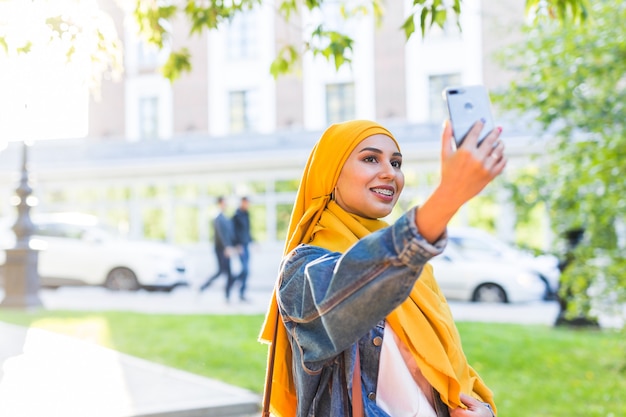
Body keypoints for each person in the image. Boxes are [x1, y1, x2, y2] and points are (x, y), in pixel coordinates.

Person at [259, 119, 506, 416]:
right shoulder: (302, 271)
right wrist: (448, 196)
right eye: (370, 159)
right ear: (331, 174)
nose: (390, 173)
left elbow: (447, 369)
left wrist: (484, 411)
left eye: (397, 162)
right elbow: (357, 285)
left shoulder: (416, 269)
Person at [199, 196, 237, 301]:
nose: (226, 205)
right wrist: (226, 247)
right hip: (221, 250)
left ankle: (225, 295)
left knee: (226, 272)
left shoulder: (225, 217)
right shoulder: (217, 218)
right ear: (220, 203)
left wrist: (233, 246)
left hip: (226, 249)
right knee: (223, 272)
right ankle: (204, 287)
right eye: (224, 203)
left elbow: (229, 234)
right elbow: (221, 235)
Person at [232, 196, 253, 302]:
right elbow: (234, 232)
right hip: (240, 246)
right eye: (246, 202)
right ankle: (232, 281)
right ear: (242, 203)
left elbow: (247, 231)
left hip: (246, 245)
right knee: (245, 269)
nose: (247, 204)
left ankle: (242, 293)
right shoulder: (236, 216)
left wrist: (253, 241)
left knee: (247, 270)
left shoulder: (246, 214)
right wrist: (237, 244)